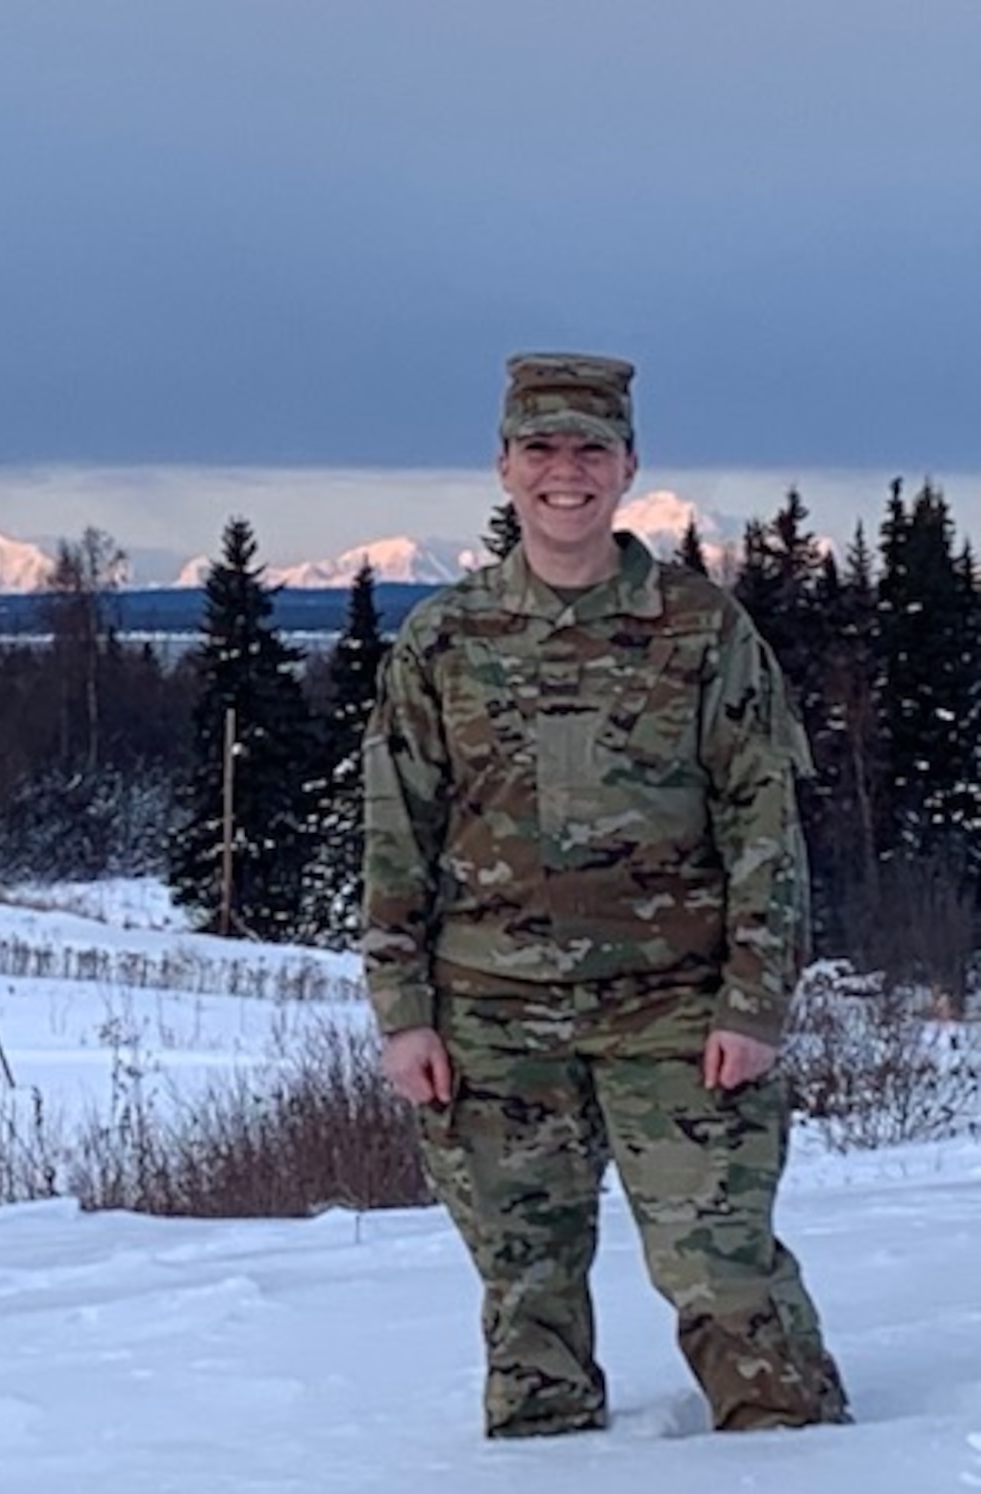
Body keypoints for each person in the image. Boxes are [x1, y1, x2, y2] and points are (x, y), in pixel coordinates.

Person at [360, 352, 850, 1437]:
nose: (564, 471)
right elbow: (396, 833)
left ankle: (797, 1462)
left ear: (628, 467)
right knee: (524, 1292)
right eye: (540, 447)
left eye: (589, 448)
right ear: (502, 467)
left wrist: (752, 1000)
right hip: (489, 1013)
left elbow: (762, 824)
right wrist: (401, 1015)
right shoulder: (444, 638)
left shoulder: (702, 631)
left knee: (723, 1273)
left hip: (674, 1010)